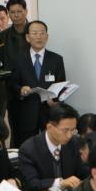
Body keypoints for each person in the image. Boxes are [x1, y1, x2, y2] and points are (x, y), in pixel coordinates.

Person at [10, 20, 66, 148]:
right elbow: (12, 84)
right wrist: (21, 90)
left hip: (49, 113)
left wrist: (56, 100)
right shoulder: (18, 59)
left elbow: (61, 85)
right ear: (28, 37)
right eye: (35, 33)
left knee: (50, 148)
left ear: (47, 37)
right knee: (27, 148)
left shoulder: (56, 59)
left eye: (42, 33)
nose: (39, 37)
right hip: (25, 113)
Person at [18, 103, 87, 191]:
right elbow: (32, 184)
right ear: (49, 127)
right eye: (65, 130)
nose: (69, 135)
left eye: (73, 130)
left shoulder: (74, 143)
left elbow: (83, 172)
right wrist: (60, 183)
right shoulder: (29, 149)